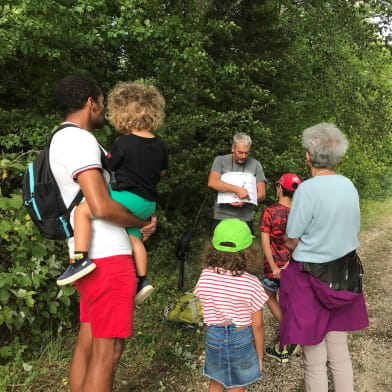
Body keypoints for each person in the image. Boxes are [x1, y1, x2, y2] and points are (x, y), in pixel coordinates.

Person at [50, 74, 156, 392]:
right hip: (107, 258)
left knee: (90, 344)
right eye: (100, 103)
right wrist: (136, 220)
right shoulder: (79, 139)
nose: (103, 112)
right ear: (90, 102)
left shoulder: (63, 139)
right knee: (108, 351)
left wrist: (134, 223)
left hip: (90, 257)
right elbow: (102, 205)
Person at [56, 81, 168, 305]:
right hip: (148, 202)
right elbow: (162, 171)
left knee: (82, 211)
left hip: (125, 197)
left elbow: (110, 165)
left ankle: (79, 259)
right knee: (135, 238)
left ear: (122, 114)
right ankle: (143, 280)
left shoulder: (124, 142)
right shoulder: (161, 145)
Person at [279, 123, 369, 391]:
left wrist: (288, 244)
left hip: (310, 277)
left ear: (308, 156)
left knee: (314, 356)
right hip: (343, 274)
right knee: (339, 351)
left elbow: (292, 237)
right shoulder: (348, 185)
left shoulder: (307, 190)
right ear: (337, 157)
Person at [194, 218, 269, 392]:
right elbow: (257, 324)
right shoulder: (252, 283)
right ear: (248, 251)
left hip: (214, 336)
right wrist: (260, 355)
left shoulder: (205, 276)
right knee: (237, 383)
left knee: (216, 380)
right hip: (241, 338)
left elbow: (201, 298)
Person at [258, 173, 302, 363]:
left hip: (272, 267)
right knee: (291, 301)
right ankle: (291, 332)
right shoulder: (300, 213)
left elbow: (265, 244)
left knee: (268, 296)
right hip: (293, 267)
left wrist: (275, 267)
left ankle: (289, 332)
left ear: (279, 187)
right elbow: (302, 242)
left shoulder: (269, 212)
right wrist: (288, 264)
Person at [207, 132, 266, 233]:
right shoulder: (220, 160)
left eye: (246, 153)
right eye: (240, 152)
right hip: (222, 216)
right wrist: (238, 190)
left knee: (245, 248)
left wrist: (246, 200)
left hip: (245, 218)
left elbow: (262, 194)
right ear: (233, 148)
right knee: (220, 247)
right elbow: (212, 182)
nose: (243, 156)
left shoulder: (255, 164)